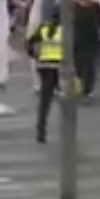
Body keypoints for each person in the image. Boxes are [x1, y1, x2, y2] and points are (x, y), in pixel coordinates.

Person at [32, 9, 63, 143]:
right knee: (66, 100)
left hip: (43, 67)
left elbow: (30, 44)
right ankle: (66, 129)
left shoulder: (43, 27)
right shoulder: (64, 31)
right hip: (59, 68)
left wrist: (37, 56)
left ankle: (41, 129)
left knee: (45, 102)